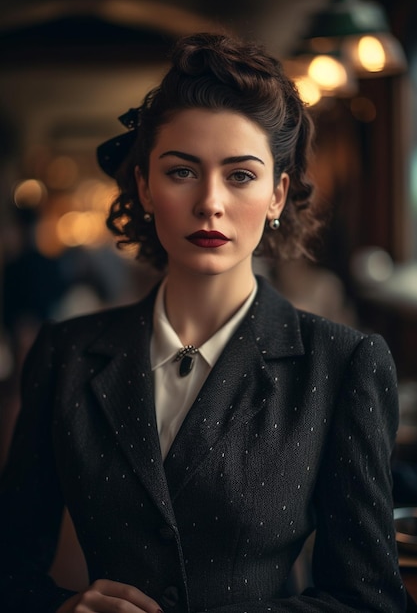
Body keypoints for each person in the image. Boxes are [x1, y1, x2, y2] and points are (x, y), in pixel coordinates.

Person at [0, 32, 408, 612]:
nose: (210, 202)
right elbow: (9, 566)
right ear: (144, 185)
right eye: (182, 171)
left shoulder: (342, 363)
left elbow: (369, 601)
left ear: (276, 193)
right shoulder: (65, 352)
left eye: (240, 175)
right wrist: (60, 607)